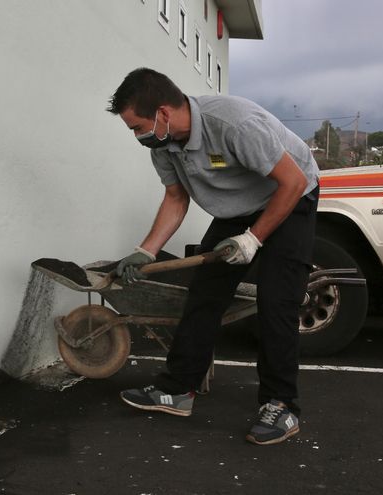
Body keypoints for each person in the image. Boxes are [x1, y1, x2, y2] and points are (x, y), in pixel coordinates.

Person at [106, 68, 319, 445]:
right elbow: (176, 198)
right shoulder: (164, 145)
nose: (137, 136)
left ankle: (281, 405)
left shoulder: (234, 124)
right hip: (236, 209)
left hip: (289, 197)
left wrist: (253, 239)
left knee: (276, 300)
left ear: (163, 113)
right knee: (204, 295)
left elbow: (294, 182)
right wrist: (145, 251)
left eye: (137, 127)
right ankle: (178, 390)